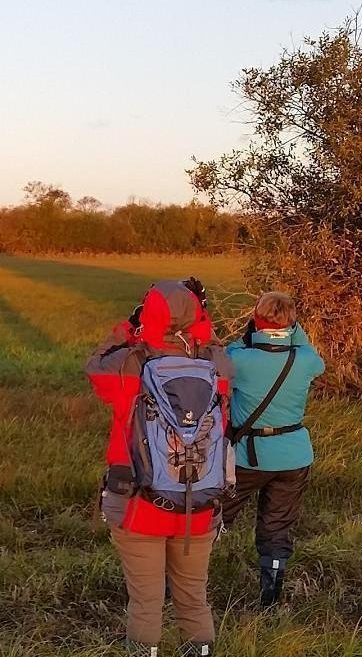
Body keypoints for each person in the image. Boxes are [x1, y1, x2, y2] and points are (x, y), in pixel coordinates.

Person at [84, 280, 230, 657]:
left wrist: (129, 327)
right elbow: (211, 343)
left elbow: (95, 365)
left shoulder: (130, 365)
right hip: (198, 505)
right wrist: (199, 315)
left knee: (146, 601)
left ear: (148, 314)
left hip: (139, 506)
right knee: (194, 597)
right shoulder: (216, 366)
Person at [219, 291, 325, 607]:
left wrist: (251, 331)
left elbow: (228, 354)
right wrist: (292, 328)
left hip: (248, 458)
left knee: (214, 516)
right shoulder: (305, 360)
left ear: (256, 319)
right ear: (293, 324)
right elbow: (307, 349)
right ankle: (271, 595)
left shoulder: (238, 358)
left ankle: (181, 579)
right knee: (277, 527)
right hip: (293, 457)